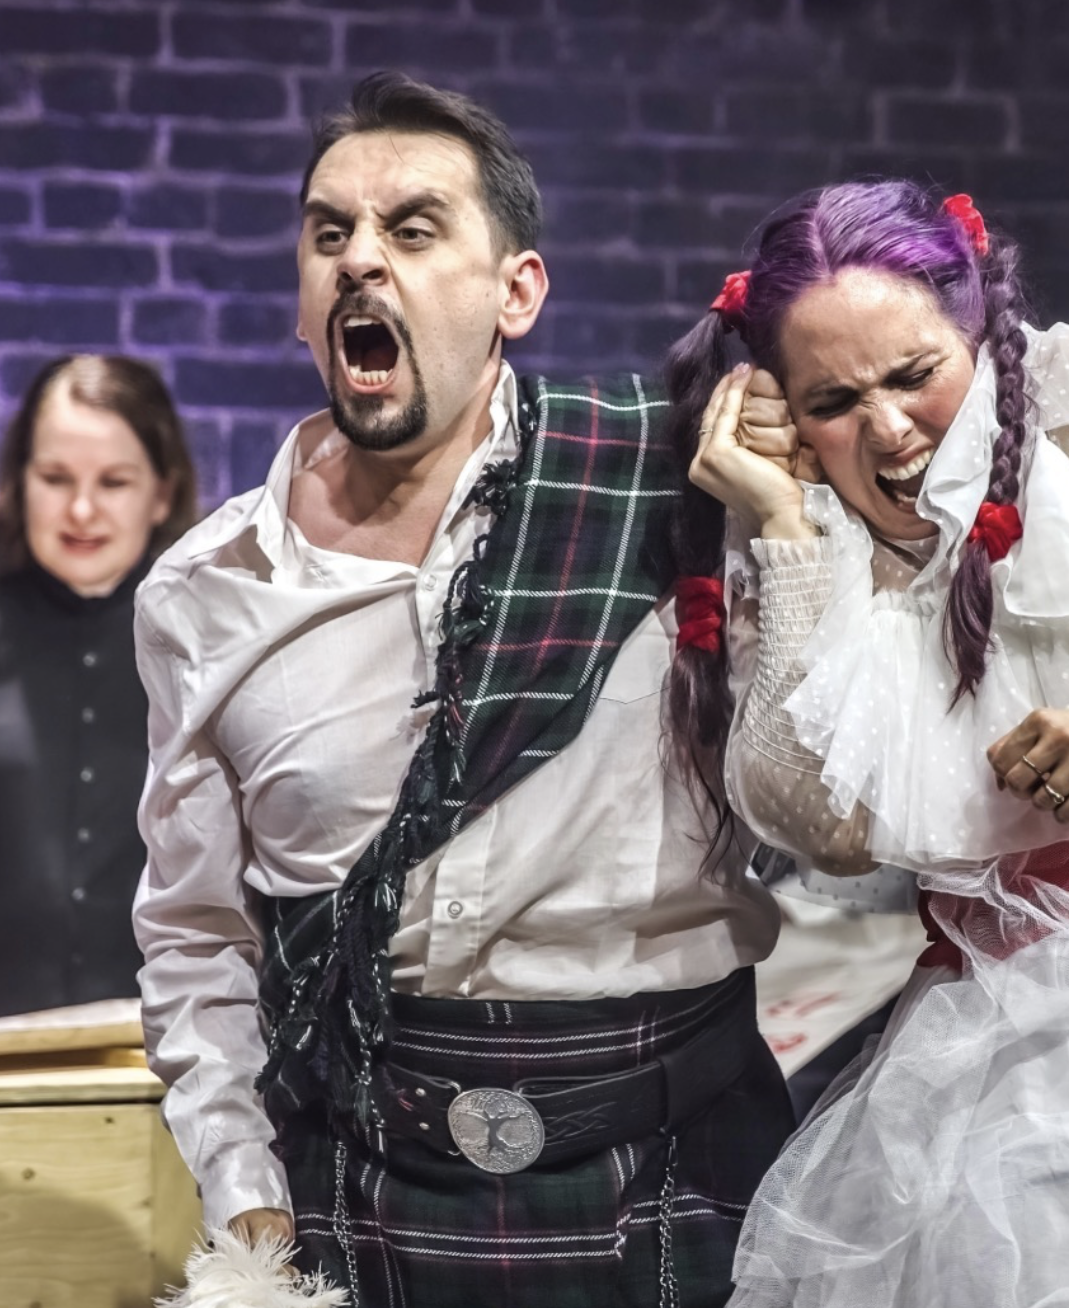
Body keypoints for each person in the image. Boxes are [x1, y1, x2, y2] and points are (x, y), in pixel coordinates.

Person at [133, 71, 793, 1308]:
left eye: (413, 229)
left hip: (675, 1157)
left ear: (516, 293)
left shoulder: (665, 493)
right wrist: (246, 1192)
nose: (358, 261)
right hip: (354, 1172)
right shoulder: (203, 590)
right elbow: (197, 934)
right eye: (329, 234)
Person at [667, 180, 1069, 1304]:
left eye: (915, 374)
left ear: (972, 327)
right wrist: (779, 528)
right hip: (999, 1027)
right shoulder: (804, 518)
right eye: (832, 399)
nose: (883, 427)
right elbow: (815, 827)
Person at [0, 355, 196, 1018]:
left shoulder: (209, 644)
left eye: (113, 482)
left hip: (158, 1060)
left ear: (162, 494)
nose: (81, 509)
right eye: (55, 478)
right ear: (18, 482)